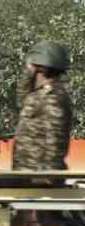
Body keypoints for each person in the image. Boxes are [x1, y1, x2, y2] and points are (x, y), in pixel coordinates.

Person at [13, 41, 73, 171]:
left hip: (39, 176)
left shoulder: (52, 96)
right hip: (26, 172)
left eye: (31, 65)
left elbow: (55, 138)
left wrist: (49, 175)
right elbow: (21, 96)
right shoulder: (37, 94)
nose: (27, 68)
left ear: (42, 67)